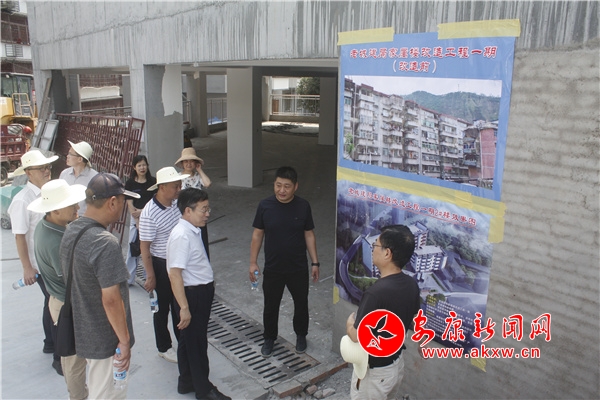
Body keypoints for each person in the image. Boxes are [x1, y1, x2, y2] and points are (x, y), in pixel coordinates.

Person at [60, 173, 139, 399]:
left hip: (84, 331)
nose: (123, 208)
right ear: (112, 202)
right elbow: (111, 299)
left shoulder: (72, 230)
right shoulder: (104, 242)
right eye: (122, 202)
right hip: (106, 340)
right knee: (107, 394)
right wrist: (124, 340)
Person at [167, 188, 231, 400]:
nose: (207, 214)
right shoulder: (181, 235)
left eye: (208, 209)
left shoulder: (192, 230)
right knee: (197, 344)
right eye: (203, 209)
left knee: (188, 341)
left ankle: (186, 381)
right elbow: (175, 274)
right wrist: (184, 308)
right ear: (188, 210)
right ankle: (204, 390)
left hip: (198, 293)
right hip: (192, 296)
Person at [249, 166, 319, 357]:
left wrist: (315, 262)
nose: (282, 190)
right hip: (273, 268)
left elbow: (309, 234)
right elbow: (257, 235)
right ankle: (269, 338)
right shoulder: (265, 206)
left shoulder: (303, 206)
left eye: (287, 186)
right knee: (270, 306)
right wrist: (253, 262)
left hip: (298, 267)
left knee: (301, 304)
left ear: (295, 186)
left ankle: (301, 335)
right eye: (278, 185)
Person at [345, 225, 420, 400]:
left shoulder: (375, 294)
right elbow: (414, 319)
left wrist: (349, 324)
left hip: (374, 372)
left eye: (376, 245)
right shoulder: (411, 284)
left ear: (387, 253)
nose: (373, 249)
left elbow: (357, 336)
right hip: (396, 365)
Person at [29, 179, 88, 400]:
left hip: (61, 300)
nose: (77, 207)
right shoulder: (55, 241)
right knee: (74, 361)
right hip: (67, 304)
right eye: (71, 205)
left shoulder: (47, 225)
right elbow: (72, 278)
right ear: (55, 210)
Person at [7, 149, 60, 371]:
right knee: (56, 304)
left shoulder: (48, 193)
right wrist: (27, 267)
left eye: (48, 167)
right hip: (40, 265)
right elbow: (20, 236)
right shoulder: (22, 200)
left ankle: (50, 343)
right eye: (42, 168)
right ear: (29, 173)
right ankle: (59, 355)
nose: (47, 171)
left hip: (52, 261)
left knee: (50, 302)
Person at [139, 166, 189, 363]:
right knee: (162, 308)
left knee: (179, 303)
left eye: (179, 185)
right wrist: (150, 275)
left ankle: (182, 341)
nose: (179, 189)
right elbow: (145, 247)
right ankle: (164, 347)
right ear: (162, 187)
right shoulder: (149, 213)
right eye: (175, 186)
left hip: (178, 262)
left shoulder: (176, 204)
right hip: (161, 265)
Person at [124, 155, 157, 285]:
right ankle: (128, 279)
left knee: (150, 248)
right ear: (134, 167)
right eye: (139, 165)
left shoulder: (153, 182)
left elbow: (155, 202)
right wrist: (137, 220)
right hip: (135, 219)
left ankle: (148, 276)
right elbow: (130, 203)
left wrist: (142, 212)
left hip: (150, 218)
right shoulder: (130, 183)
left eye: (144, 165)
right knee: (133, 248)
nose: (142, 168)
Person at [175, 147, 211, 258]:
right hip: (186, 215)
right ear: (182, 163)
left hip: (199, 214)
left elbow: (207, 183)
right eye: (186, 161)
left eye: (191, 161)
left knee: (202, 242)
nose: (189, 164)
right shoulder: (178, 177)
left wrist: (199, 170)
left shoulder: (198, 176)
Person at [59, 140, 98, 216]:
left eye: (70, 154)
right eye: (68, 153)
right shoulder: (64, 174)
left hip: (83, 218)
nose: (67, 156)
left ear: (80, 159)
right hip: (64, 216)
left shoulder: (94, 178)